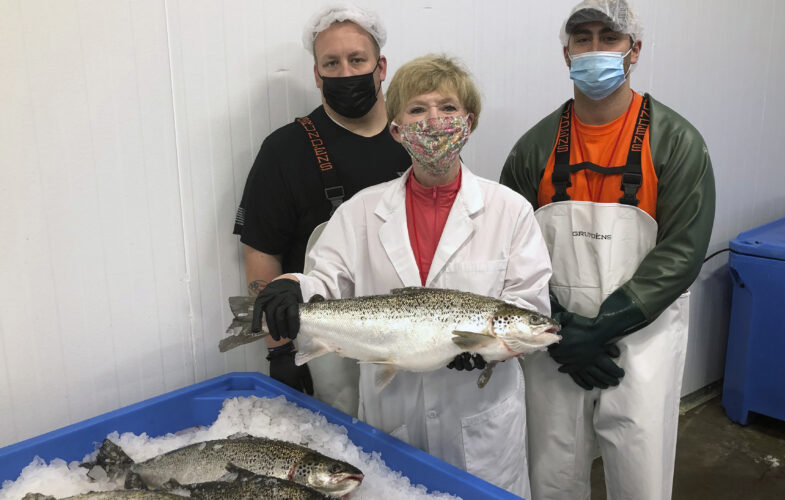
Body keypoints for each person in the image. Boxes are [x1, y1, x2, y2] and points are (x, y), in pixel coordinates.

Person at [250, 54, 553, 499]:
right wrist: (292, 287)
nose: (434, 121)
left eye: (448, 108)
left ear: (468, 123)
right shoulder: (360, 210)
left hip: (479, 416)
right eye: (417, 109)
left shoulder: (509, 210)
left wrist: (491, 351)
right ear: (396, 129)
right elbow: (326, 280)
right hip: (393, 410)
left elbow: (530, 305)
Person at [500, 1, 715, 499]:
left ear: (633, 50)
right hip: (555, 344)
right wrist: (561, 327)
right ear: (566, 51)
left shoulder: (676, 142)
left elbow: (682, 251)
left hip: (641, 341)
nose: (595, 49)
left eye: (609, 37)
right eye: (583, 38)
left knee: (640, 471)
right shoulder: (534, 148)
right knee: (551, 471)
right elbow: (510, 250)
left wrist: (603, 327)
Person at [232, 3, 409, 402]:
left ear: (381, 67)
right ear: (316, 74)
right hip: (326, 353)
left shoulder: (415, 138)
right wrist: (278, 349)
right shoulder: (284, 151)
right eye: (331, 63)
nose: (346, 73)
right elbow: (261, 253)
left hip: (409, 344)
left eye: (357, 59)